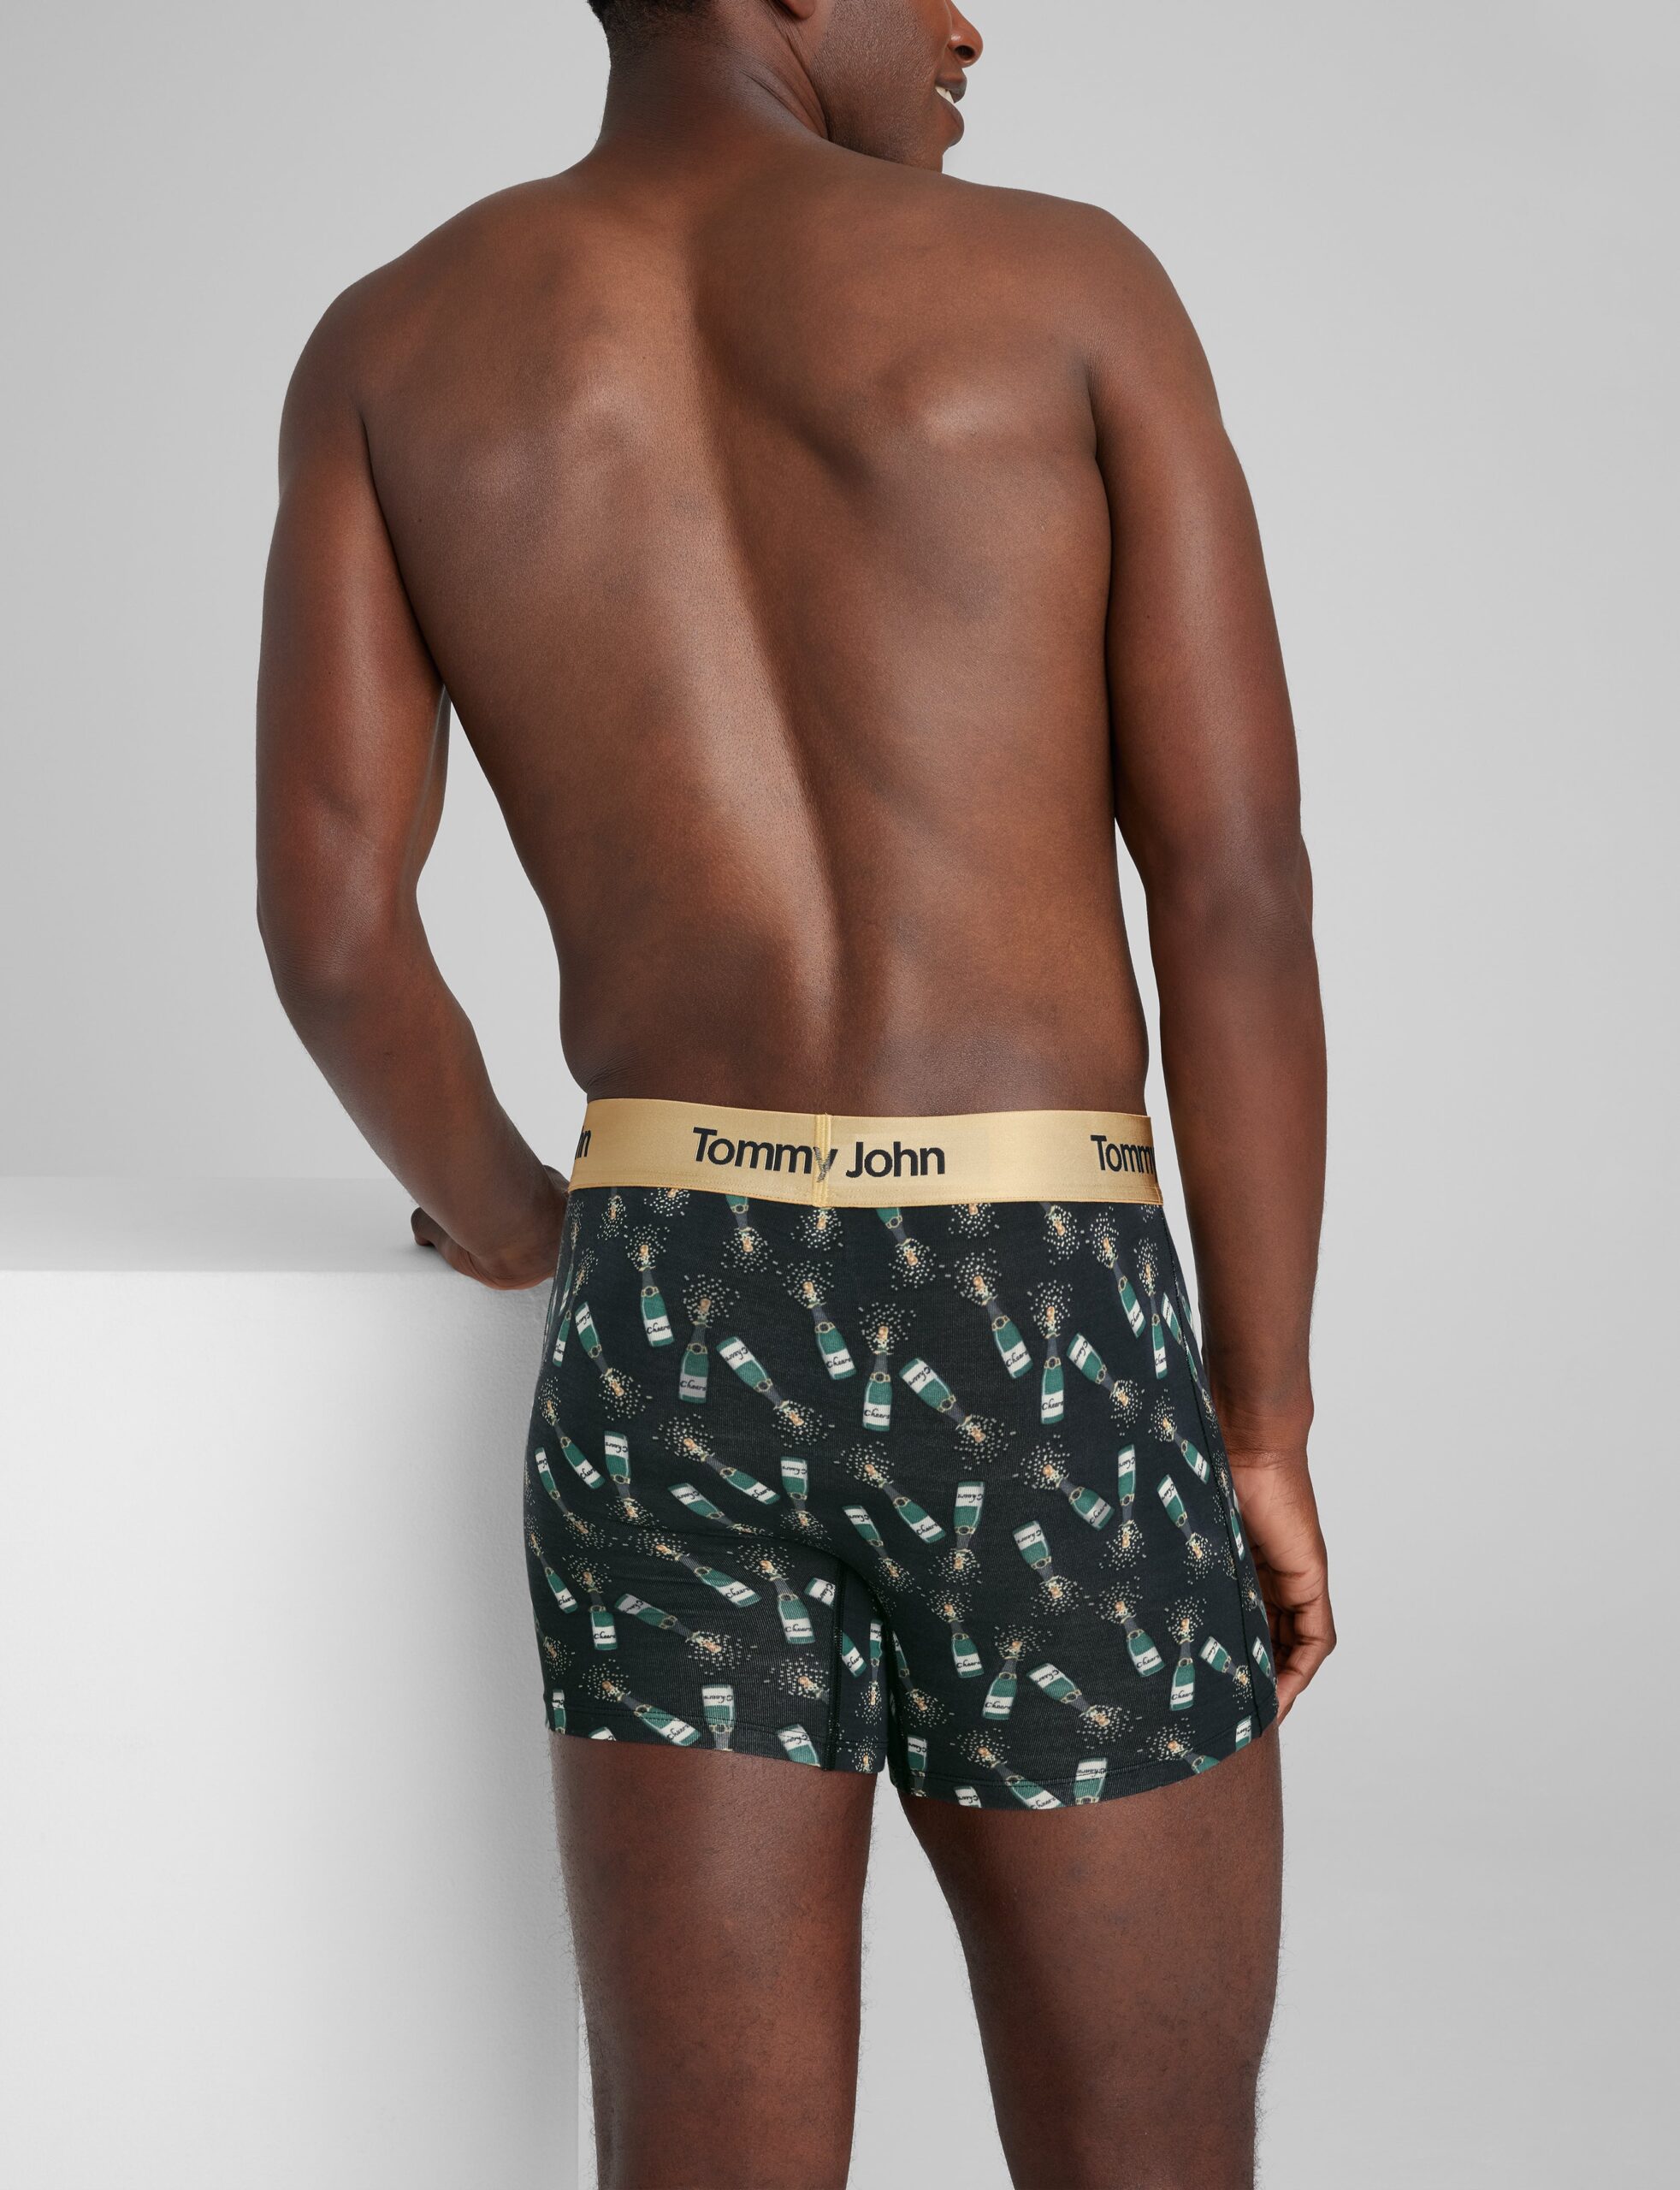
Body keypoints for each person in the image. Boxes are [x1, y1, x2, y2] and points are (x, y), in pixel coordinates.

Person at [255, 2, 1334, 2182]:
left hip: (667, 1314)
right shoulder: (1071, 285)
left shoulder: (390, 345)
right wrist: (1258, 1416)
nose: (962, 22)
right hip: (1036, 1321)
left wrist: (525, 1222)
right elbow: (1232, 888)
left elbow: (337, 934)